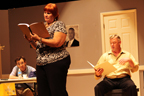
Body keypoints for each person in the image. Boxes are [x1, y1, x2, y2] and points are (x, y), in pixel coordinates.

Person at [24, 3, 71, 96]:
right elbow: (38, 46)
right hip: (41, 64)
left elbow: (57, 42)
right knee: (43, 92)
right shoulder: (43, 26)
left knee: (57, 92)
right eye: (45, 12)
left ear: (55, 14)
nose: (46, 15)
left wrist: (39, 39)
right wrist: (30, 40)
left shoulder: (58, 24)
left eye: (49, 13)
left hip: (56, 62)